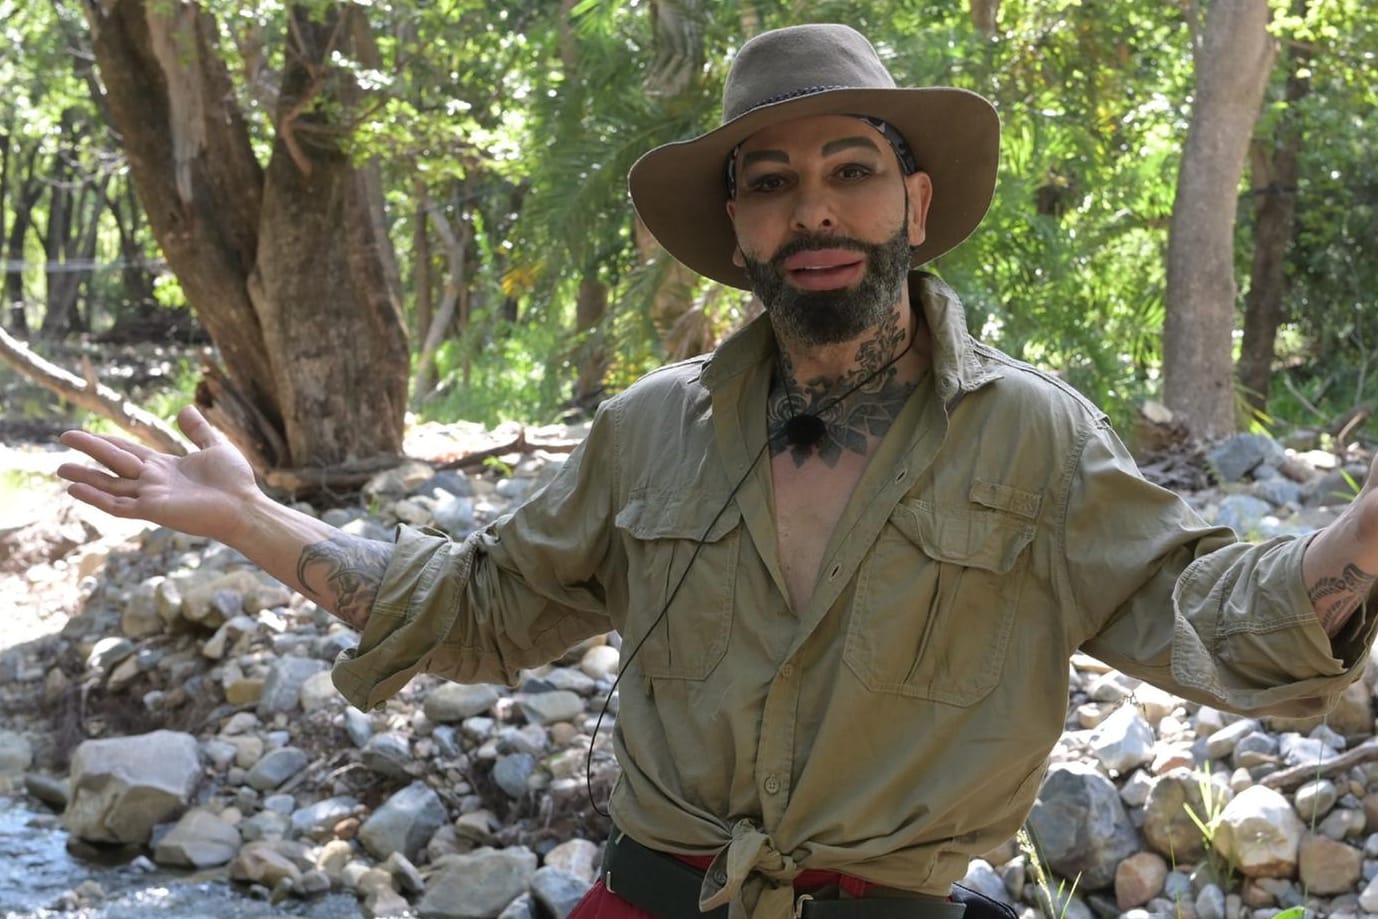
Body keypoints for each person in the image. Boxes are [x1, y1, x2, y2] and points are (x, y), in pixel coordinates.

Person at [57, 23, 1378, 919]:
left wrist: (1364, 535)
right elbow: (476, 610)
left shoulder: (1030, 435)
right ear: (735, 229)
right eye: (771, 181)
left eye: (851, 171)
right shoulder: (648, 430)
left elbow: (1202, 612)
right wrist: (246, 518)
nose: (813, 208)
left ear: (913, 207)